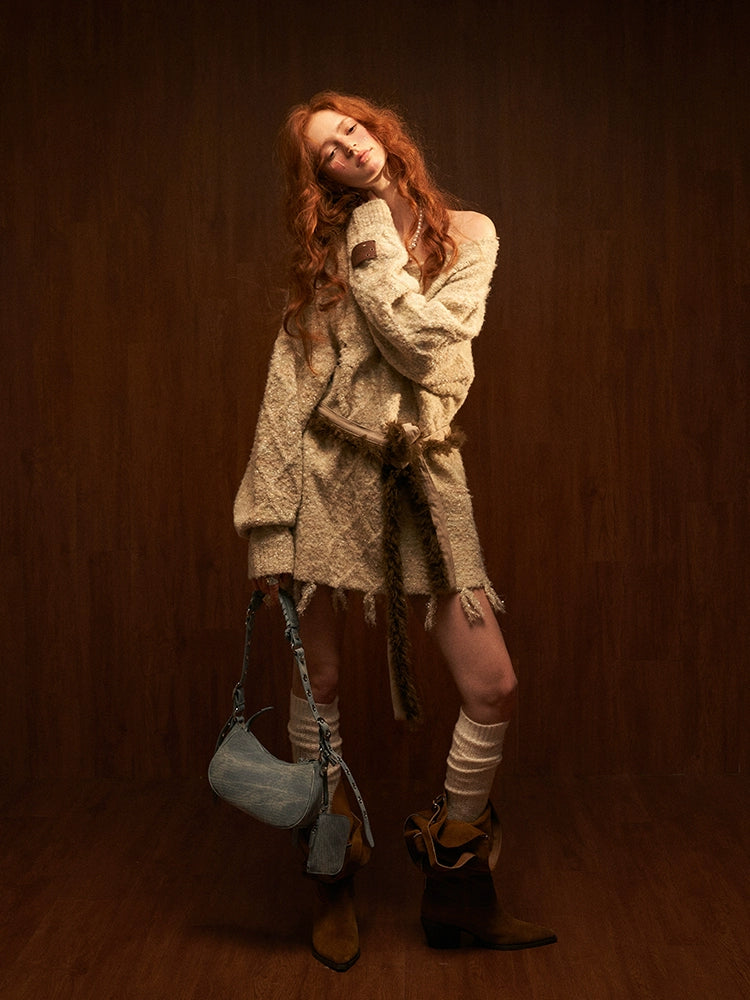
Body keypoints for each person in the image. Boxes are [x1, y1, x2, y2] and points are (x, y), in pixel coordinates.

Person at [233, 91, 556, 971]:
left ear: (377, 130)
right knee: (321, 682)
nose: (346, 150)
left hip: (423, 476)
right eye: (326, 154)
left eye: (350, 130)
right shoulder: (330, 252)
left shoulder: (471, 235)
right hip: (324, 479)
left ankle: (454, 877)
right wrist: (268, 533)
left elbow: (429, 353)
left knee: (492, 685)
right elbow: (289, 391)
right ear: (323, 181)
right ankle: (332, 871)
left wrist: (375, 239)